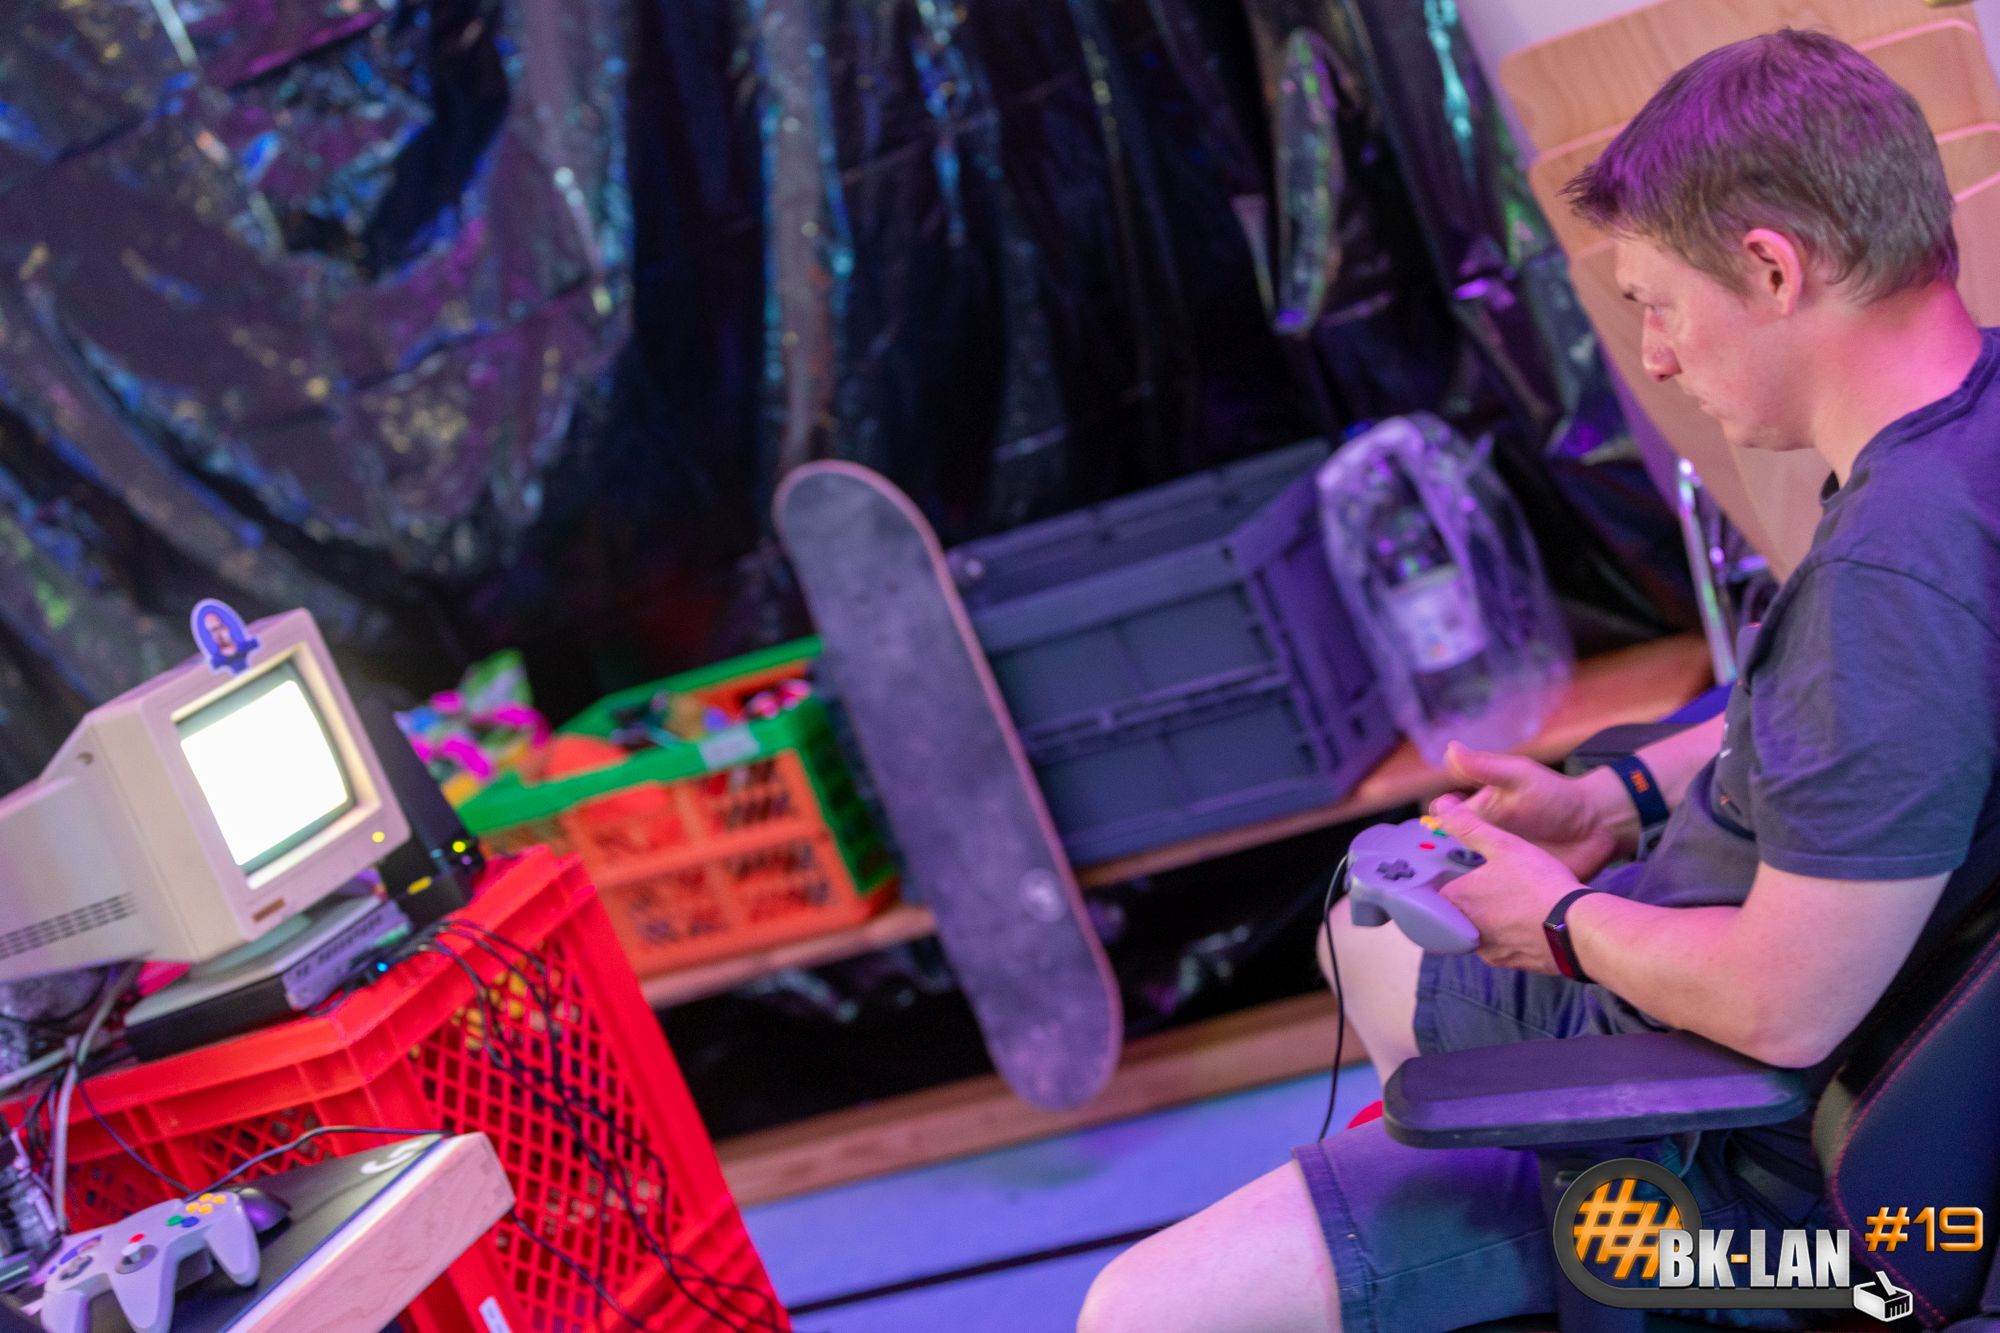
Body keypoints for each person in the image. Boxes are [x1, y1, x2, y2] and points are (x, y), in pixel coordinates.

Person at [1077, 28, 2000, 1333]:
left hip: (1754, 1190)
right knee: (1378, 931)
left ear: (1771, 267)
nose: (1657, 356)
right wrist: (1622, 795)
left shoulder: (1894, 579)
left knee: (1140, 1308)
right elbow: (1885, 728)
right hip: (1797, 1070)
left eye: (1656, 304)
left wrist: (1557, 921)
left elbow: (1783, 1005)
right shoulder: (1966, 442)